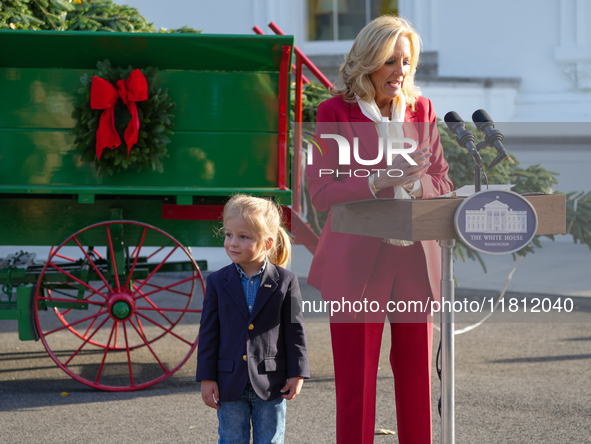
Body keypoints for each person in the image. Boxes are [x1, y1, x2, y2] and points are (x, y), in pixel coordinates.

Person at [306, 16, 453, 444]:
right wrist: (378, 180)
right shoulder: (334, 112)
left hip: (414, 258)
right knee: (356, 380)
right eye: (391, 61)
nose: (401, 71)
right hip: (358, 263)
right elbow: (321, 191)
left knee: (417, 379)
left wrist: (413, 183)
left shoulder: (422, 110)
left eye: (406, 62)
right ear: (368, 62)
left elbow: (441, 181)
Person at [196, 194, 309, 444]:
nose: (232, 243)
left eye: (243, 236)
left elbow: (295, 331)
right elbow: (208, 333)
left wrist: (298, 373)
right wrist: (207, 377)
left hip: (272, 382)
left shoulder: (286, 281)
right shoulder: (217, 282)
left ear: (268, 243)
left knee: (270, 440)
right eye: (228, 234)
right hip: (228, 382)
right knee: (231, 439)